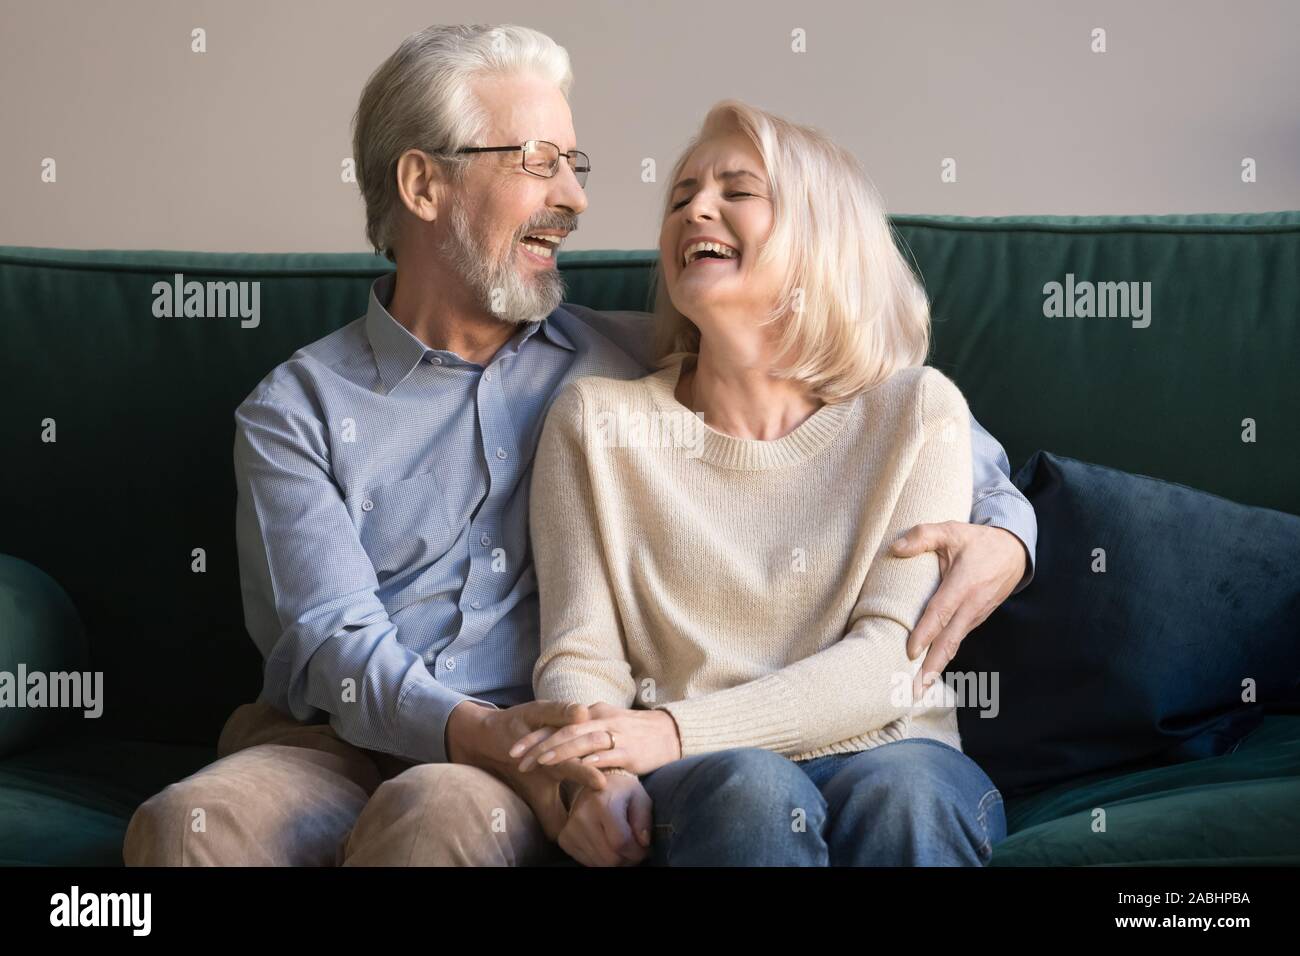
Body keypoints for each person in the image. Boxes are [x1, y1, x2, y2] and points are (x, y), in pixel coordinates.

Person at [123, 24, 1034, 867]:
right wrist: (509, 738)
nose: (576, 199)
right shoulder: (298, 408)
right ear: (423, 185)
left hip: (527, 751)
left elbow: (863, 404)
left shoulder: (632, 354)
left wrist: (1007, 531)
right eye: (539, 163)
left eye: (577, 164)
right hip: (341, 740)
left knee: (437, 815)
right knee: (180, 827)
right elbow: (331, 645)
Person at [520, 100, 1009, 866]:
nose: (695, 210)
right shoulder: (592, 422)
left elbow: (892, 662)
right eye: (680, 197)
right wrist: (595, 773)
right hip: (706, 779)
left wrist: (677, 729)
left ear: (822, 233)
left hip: (891, 753)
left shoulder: (917, 411)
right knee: (752, 789)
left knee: (905, 794)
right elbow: (580, 653)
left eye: (736, 191)